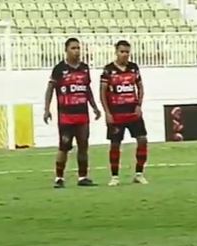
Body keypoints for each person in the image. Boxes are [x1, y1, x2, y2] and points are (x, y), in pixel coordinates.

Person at [44, 38, 101, 188]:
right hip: (66, 117)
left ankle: (83, 177)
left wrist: (94, 107)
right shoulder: (59, 69)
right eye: (73, 48)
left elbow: (86, 89)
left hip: (83, 116)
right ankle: (59, 178)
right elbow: (50, 88)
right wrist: (46, 109)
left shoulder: (84, 68)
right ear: (66, 50)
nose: (76, 51)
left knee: (83, 146)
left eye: (78, 48)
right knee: (64, 147)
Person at [100, 40, 149, 186]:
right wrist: (107, 113)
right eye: (122, 52)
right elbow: (102, 93)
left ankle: (139, 173)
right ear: (116, 52)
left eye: (127, 52)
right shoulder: (108, 70)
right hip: (116, 113)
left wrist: (139, 105)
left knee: (142, 140)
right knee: (115, 144)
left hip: (133, 111)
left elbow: (140, 87)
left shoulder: (133, 68)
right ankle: (114, 176)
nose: (125, 55)